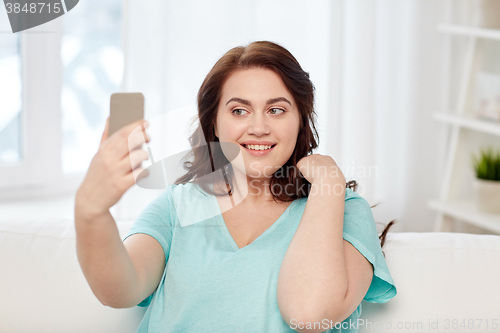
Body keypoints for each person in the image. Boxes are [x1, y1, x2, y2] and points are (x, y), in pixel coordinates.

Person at [75, 41, 397, 333]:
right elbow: (120, 290)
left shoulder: (342, 206)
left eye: (276, 110)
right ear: (214, 122)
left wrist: (328, 183)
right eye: (239, 110)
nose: (258, 128)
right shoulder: (177, 205)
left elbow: (308, 314)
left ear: (300, 120)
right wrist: (92, 212)